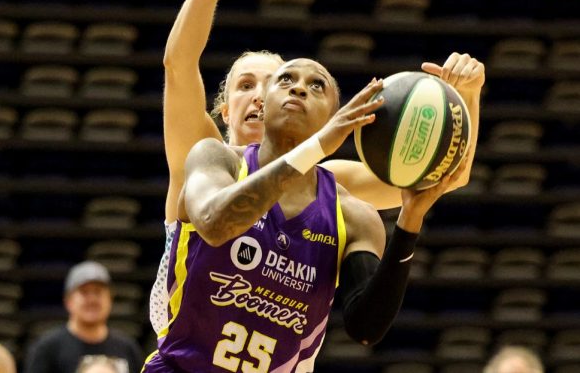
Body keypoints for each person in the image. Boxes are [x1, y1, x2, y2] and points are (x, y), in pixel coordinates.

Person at [150, 0, 485, 335]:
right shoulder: (205, 154)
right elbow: (179, 65)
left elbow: (442, 177)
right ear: (224, 111)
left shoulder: (329, 186)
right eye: (245, 85)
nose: (259, 95)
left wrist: (466, 97)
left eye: (270, 83)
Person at [143, 57, 465, 372]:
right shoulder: (217, 159)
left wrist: (409, 220)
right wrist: (318, 147)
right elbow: (215, 224)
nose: (298, 88)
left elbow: (366, 328)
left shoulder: (353, 217)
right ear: (262, 105)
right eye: (285, 80)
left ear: (332, 118)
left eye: (316, 85)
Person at [24, 261, 143, 373]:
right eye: (84, 292)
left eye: (98, 292)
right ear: (68, 301)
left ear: (110, 299)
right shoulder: (48, 349)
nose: (92, 300)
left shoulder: (128, 349)